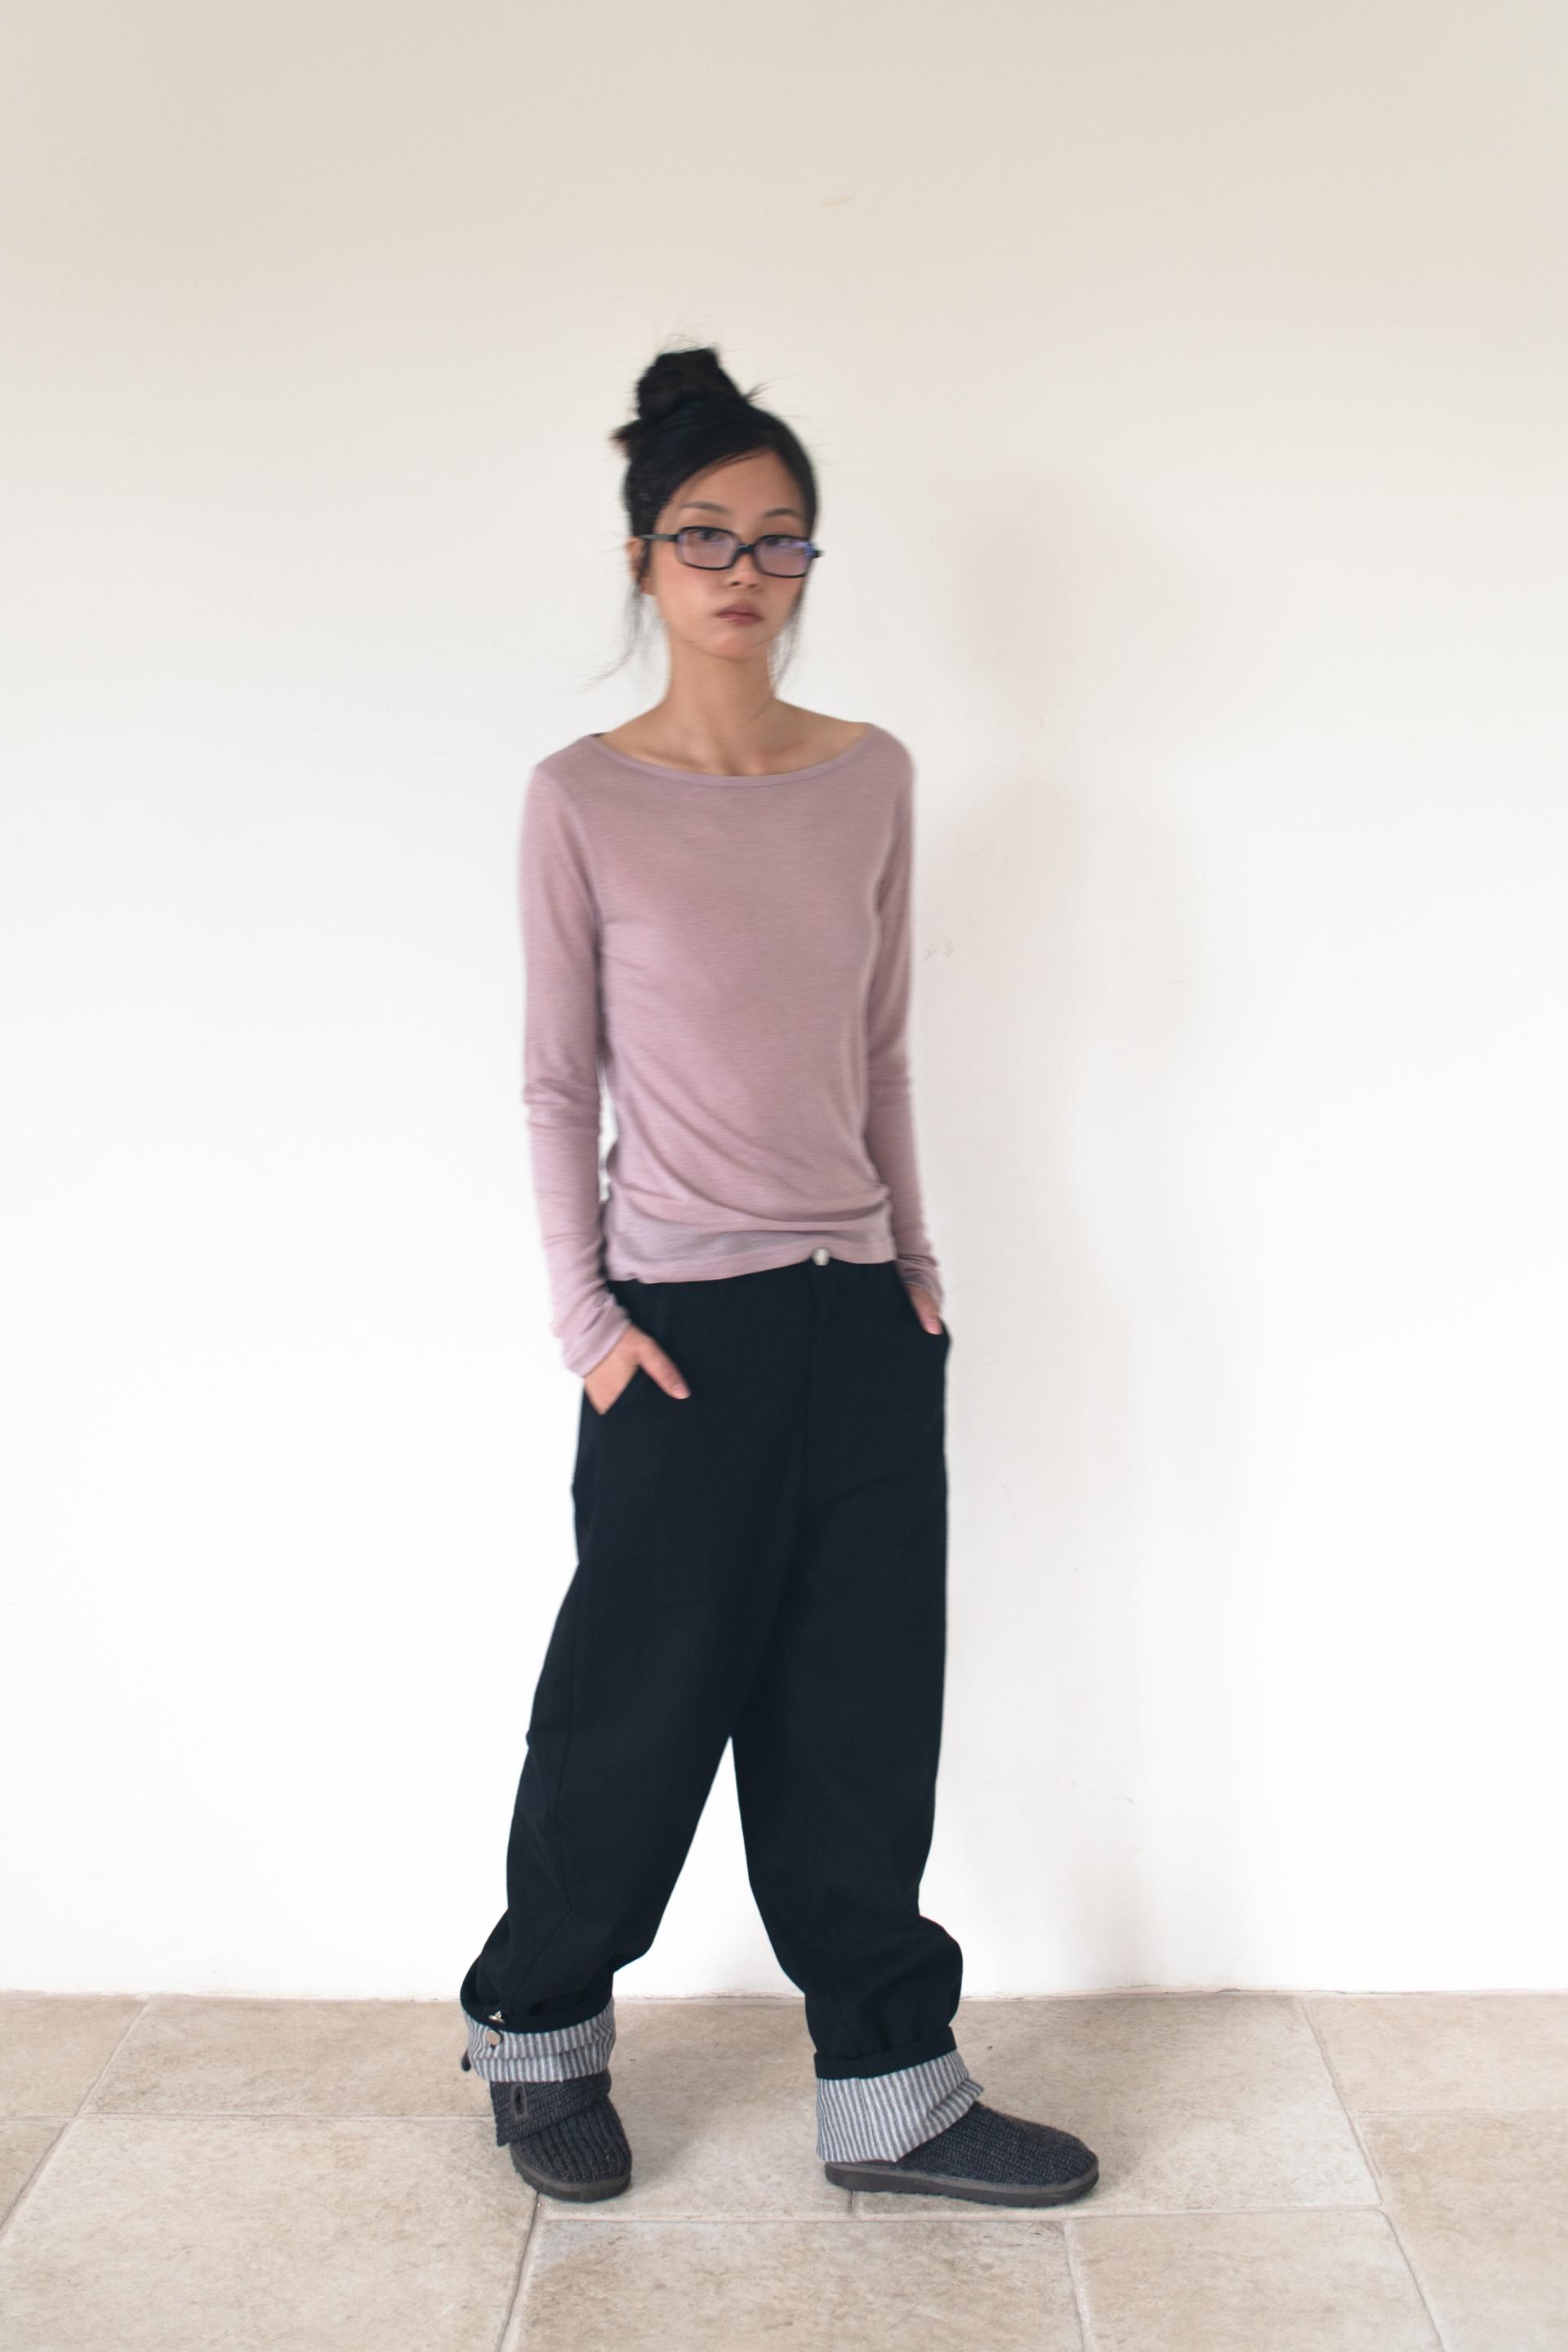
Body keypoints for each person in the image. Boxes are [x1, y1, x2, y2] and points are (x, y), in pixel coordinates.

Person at [456, 345, 1099, 2212]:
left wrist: (916, 1269)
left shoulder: (869, 776)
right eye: (705, 534)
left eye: (780, 538)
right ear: (643, 558)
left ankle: (891, 2094)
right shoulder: (582, 798)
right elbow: (554, 1082)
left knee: (859, 1721)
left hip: (862, 1317)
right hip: (679, 1335)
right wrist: (587, 1325)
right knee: (635, 1713)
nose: (745, 570)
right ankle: (538, 2036)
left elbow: (878, 1047)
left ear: (812, 560)